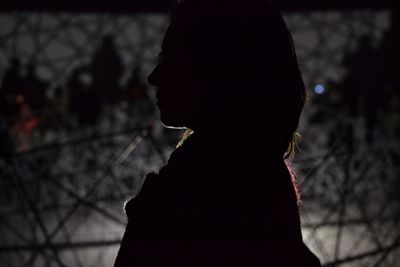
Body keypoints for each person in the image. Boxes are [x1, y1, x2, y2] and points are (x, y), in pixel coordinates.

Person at [114, 0, 321, 266]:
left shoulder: (200, 189)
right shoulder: (260, 173)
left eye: (171, 60)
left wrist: (150, 221)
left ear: (217, 72)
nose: (153, 77)